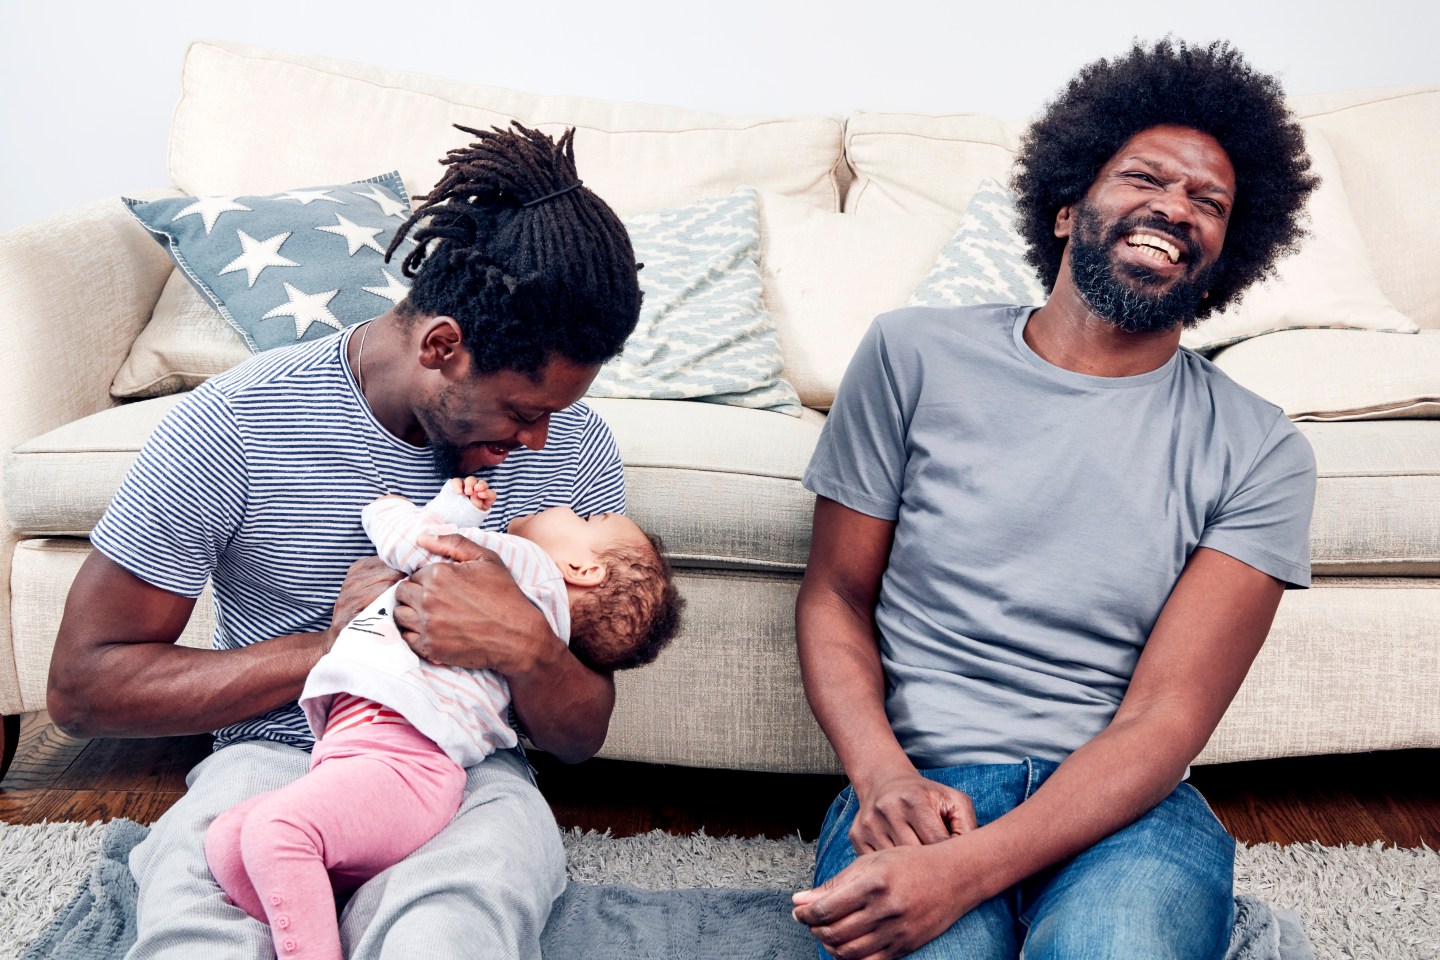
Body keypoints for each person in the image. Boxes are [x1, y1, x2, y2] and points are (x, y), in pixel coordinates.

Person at [47, 123, 645, 960]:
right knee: (201, 913)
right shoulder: (238, 423)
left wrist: (528, 650)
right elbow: (81, 689)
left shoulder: (577, 447)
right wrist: (331, 647)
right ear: (443, 347)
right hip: (276, 752)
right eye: (523, 412)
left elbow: (582, 734)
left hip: (459, 771)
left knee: (457, 924)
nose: (543, 441)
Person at [790, 39, 1319, 960]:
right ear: (1070, 204)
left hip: (1127, 811)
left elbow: (1167, 720)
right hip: (922, 788)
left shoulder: (1262, 449)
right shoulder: (911, 354)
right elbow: (837, 594)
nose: (1174, 206)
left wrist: (969, 872)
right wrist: (880, 778)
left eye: (1210, 202)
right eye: (1145, 176)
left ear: (1228, 254)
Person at [204, 477, 681, 960]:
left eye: (585, 520)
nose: (565, 507)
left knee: (272, 832)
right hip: (360, 757)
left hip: (402, 763)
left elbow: (419, 543)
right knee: (230, 840)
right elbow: (448, 544)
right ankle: (321, 911)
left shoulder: (526, 564)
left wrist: (387, 510)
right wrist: (455, 511)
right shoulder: (538, 605)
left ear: (581, 568)